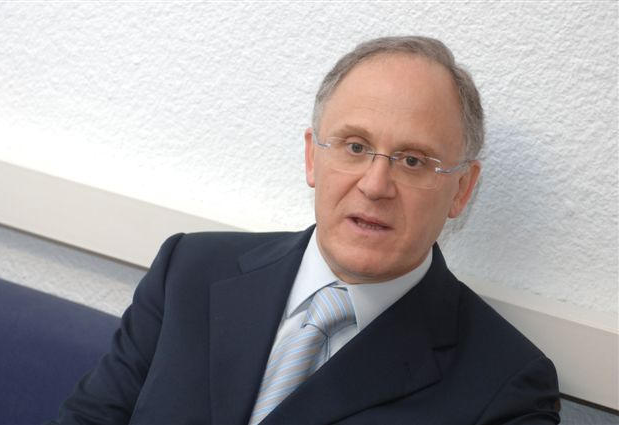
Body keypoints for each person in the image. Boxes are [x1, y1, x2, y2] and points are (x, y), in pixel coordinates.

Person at [51, 36, 560, 424]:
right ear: (313, 157)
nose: (375, 185)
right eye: (355, 147)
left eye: (412, 160)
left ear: (462, 189)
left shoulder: (507, 389)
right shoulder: (189, 270)